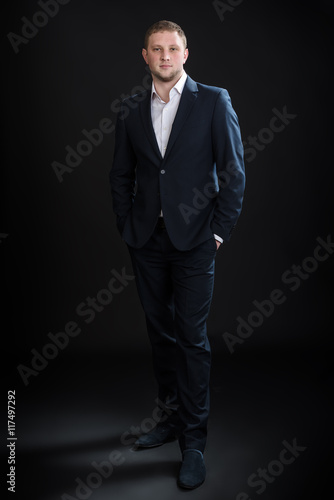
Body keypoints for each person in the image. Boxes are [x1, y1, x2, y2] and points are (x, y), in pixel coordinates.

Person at [110, 20, 245, 489]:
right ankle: (169, 420)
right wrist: (130, 228)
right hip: (147, 241)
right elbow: (120, 176)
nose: (165, 56)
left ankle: (193, 441)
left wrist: (218, 233)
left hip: (195, 242)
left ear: (185, 54)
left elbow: (233, 171)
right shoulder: (130, 108)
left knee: (192, 339)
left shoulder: (213, 100)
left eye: (173, 48)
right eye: (156, 49)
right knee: (160, 334)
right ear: (144, 56)